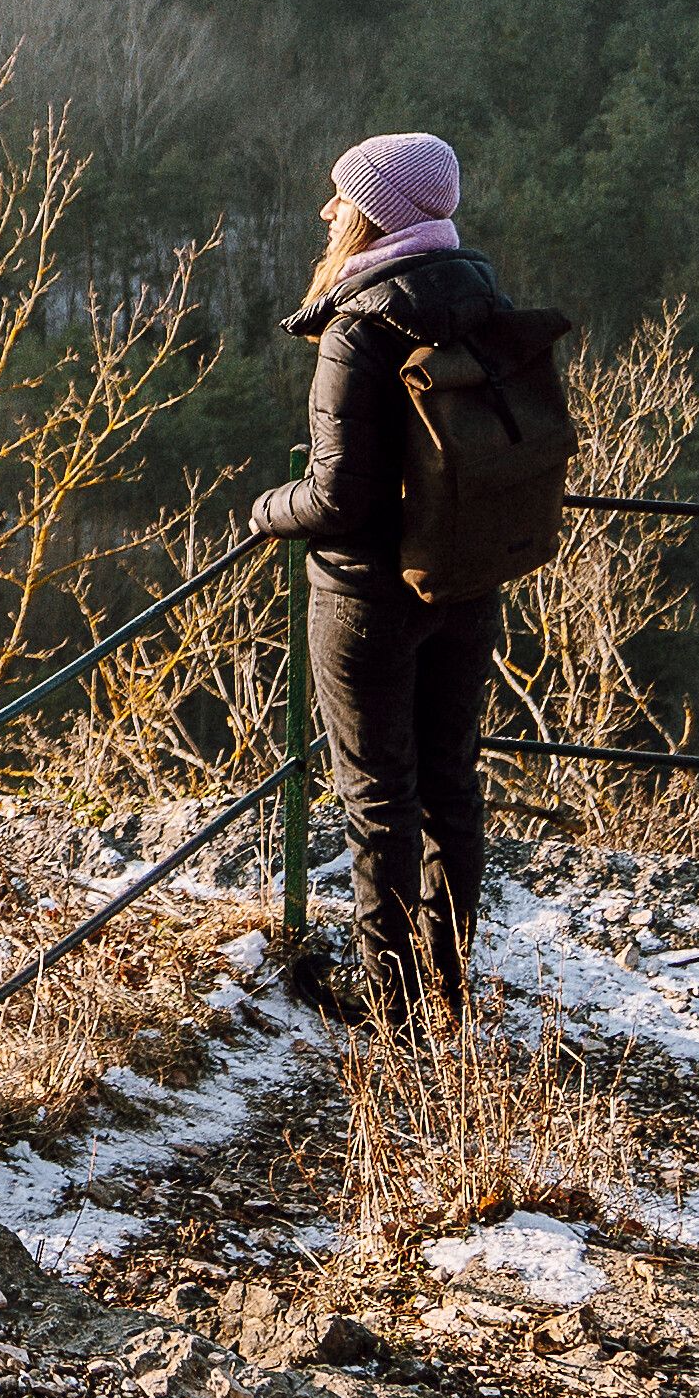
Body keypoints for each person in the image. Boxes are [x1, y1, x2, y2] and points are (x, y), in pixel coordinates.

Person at [247, 131, 513, 1032]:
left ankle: (389, 1006)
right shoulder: (480, 294)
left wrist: (263, 510)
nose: (328, 212)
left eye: (342, 197)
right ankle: (450, 985)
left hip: (367, 595)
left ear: (376, 215)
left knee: (377, 796)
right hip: (464, 578)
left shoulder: (359, 325)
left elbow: (336, 498)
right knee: (449, 782)